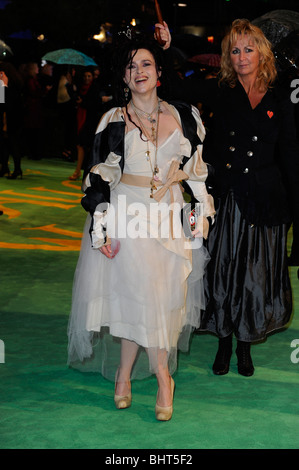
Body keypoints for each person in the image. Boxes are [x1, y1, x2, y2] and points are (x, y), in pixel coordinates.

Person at [67, 23, 215, 421]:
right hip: (128, 218)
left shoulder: (184, 115)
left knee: (156, 302)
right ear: (124, 76)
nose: (139, 71)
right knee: (140, 298)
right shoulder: (113, 119)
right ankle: (164, 377)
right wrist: (100, 229)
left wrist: (200, 213)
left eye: (146, 63)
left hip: (168, 218)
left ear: (159, 71)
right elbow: (98, 178)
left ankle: (123, 375)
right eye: (131, 66)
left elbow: (197, 172)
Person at [190, 19, 299, 376]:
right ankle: (223, 342)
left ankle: (245, 345)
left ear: (262, 53)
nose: (241, 57)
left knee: (254, 277)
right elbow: (175, 88)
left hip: (266, 202)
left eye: (248, 49)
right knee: (223, 273)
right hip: (228, 199)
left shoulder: (280, 97)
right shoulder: (221, 92)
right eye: (234, 50)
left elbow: (290, 154)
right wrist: (162, 46)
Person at [0, 62, 24, 179]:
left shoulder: (10, 86)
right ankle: (6, 168)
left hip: (12, 119)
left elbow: (4, 103)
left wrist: (3, 87)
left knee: (12, 144)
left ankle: (15, 169)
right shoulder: (11, 85)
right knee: (7, 144)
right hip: (11, 119)